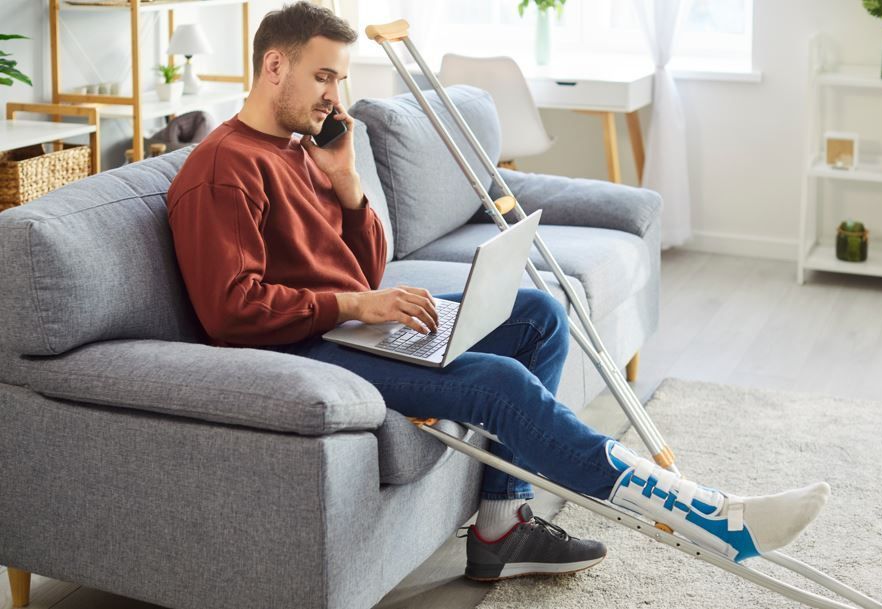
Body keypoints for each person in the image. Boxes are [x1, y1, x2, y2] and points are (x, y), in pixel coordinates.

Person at [166, 1, 831, 583]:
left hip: (346, 326)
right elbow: (231, 311)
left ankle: (500, 525)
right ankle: (709, 513)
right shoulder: (225, 167)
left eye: (341, 77)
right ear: (273, 68)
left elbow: (367, 269)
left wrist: (346, 184)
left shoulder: (299, 148)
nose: (335, 96)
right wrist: (353, 306)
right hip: (299, 349)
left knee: (538, 314)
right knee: (500, 382)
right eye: (322, 76)